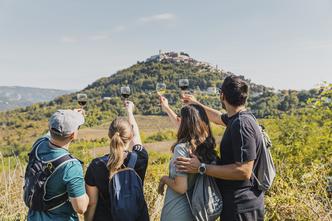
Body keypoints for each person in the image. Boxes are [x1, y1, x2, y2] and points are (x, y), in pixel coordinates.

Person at [175, 75, 265, 221]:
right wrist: (195, 104)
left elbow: (244, 171)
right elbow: (217, 118)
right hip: (240, 205)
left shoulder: (241, 125)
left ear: (222, 95)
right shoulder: (240, 118)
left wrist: (201, 167)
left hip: (241, 208)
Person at [84, 101, 149, 221]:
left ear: (109, 135)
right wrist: (130, 111)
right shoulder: (140, 158)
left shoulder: (96, 165)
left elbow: (92, 203)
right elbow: (137, 137)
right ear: (130, 136)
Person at [157, 100, 218, 221]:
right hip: (198, 212)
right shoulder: (206, 148)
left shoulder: (182, 149)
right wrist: (167, 108)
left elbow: (181, 187)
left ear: (185, 123)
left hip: (176, 211)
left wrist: (164, 179)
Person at [27, 109, 89, 221]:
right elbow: (81, 208)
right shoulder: (71, 166)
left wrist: (70, 116)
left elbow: (51, 133)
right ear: (73, 135)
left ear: (50, 128)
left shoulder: (38, 144)